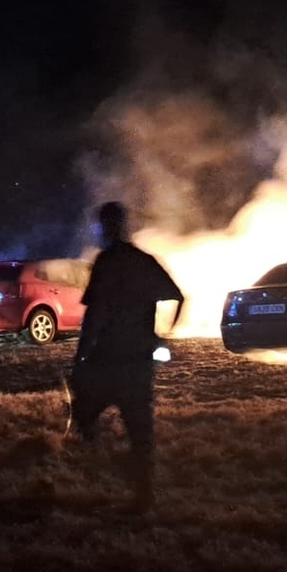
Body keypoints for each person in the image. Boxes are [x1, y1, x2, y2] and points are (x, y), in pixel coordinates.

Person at [69, 202, 184, 512]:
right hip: (139, 360)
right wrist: (162, 335)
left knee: (84, 414)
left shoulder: (107, 262)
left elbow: (94, 316)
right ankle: (142, 492)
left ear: (106, 227)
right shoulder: (143, 261)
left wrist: (81, 359)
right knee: (139, 428)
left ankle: (112, 471)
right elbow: (178, 296)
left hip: (108, 359)